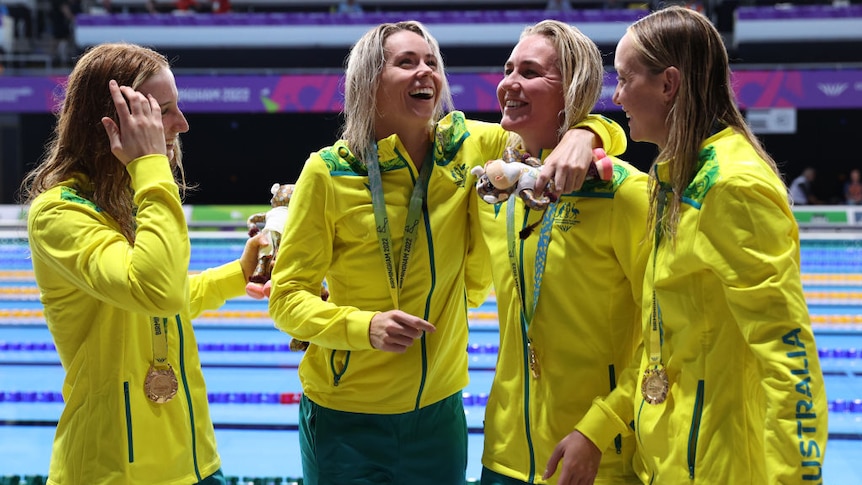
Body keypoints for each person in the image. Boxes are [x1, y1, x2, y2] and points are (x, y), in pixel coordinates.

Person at [266, 20, 626, 485]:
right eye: (406, 62)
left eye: (432, 62)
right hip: (345, 418)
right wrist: (363, 327)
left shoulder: (470, 148)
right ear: (369, 81)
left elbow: (553, 128)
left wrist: (590, 133)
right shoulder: (329, 172)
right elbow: (286, 298)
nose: (425, 73)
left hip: (438, 418)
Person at [559, 7, 829, 484]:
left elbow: (788, 354)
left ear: (668, 84)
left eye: (623, 79)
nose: (616, 95)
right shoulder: (673, 181)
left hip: (720, 469)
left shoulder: (733, 185)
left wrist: (797, 478)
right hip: (667, 462)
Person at [20, 43, 266, 485]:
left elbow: (163, 302)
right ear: (112, 122)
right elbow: (155, 290)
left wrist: (240, 272)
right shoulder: (59, 213)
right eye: (163, 111)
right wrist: (152, 167)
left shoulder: (130, 198)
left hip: (194, 461)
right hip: (112, 471)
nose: (182, 124)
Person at [477, 20, 648, 485]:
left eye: (530, 72)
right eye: (508, 68)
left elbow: (667, 336)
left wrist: (600, 428)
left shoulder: (625, 194)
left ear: (572, 90)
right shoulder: (500, 195)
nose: (509, 83)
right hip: (503, 457)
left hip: (596, 460)